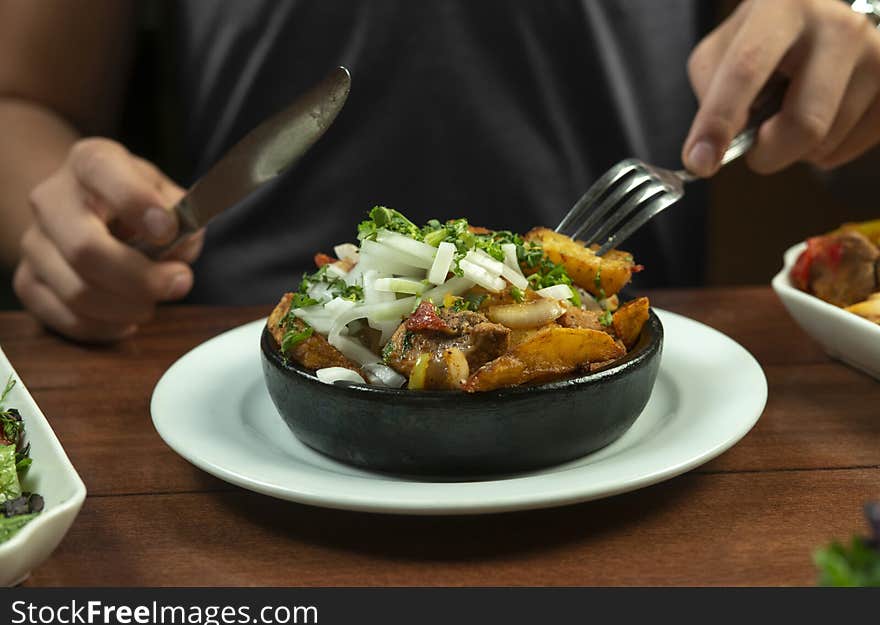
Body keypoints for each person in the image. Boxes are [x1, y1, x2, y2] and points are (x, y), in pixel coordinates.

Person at [2, 0, 880, 342]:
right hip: (234, 365)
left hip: (628, 376)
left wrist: (851, 53)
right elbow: (20, 100)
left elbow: (829, 84)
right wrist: (66, 222)